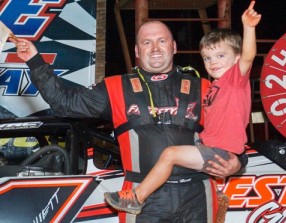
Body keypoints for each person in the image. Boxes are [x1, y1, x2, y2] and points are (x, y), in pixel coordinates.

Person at [10, 16, 248, 223]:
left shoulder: (206, 87)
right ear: (137, 51)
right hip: (141, 199)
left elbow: (233, 131)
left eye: (161, 41)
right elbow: (65, 101)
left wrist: (238, 162)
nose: (155, 47)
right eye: (147, 42)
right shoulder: (115, 87)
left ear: (174, 47)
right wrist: (34, 60)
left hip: (198, 194)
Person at [104, 0, 261, 218]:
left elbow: (248, 56)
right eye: (207, 58)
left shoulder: (235, 80)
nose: (213, 62)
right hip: (210, 147)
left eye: (221, 56)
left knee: (170, 154)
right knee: (173, 152)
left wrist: (249, 27)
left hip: (219, 152)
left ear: (235, 59)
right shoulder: (212, 87)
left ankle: (137, 197)